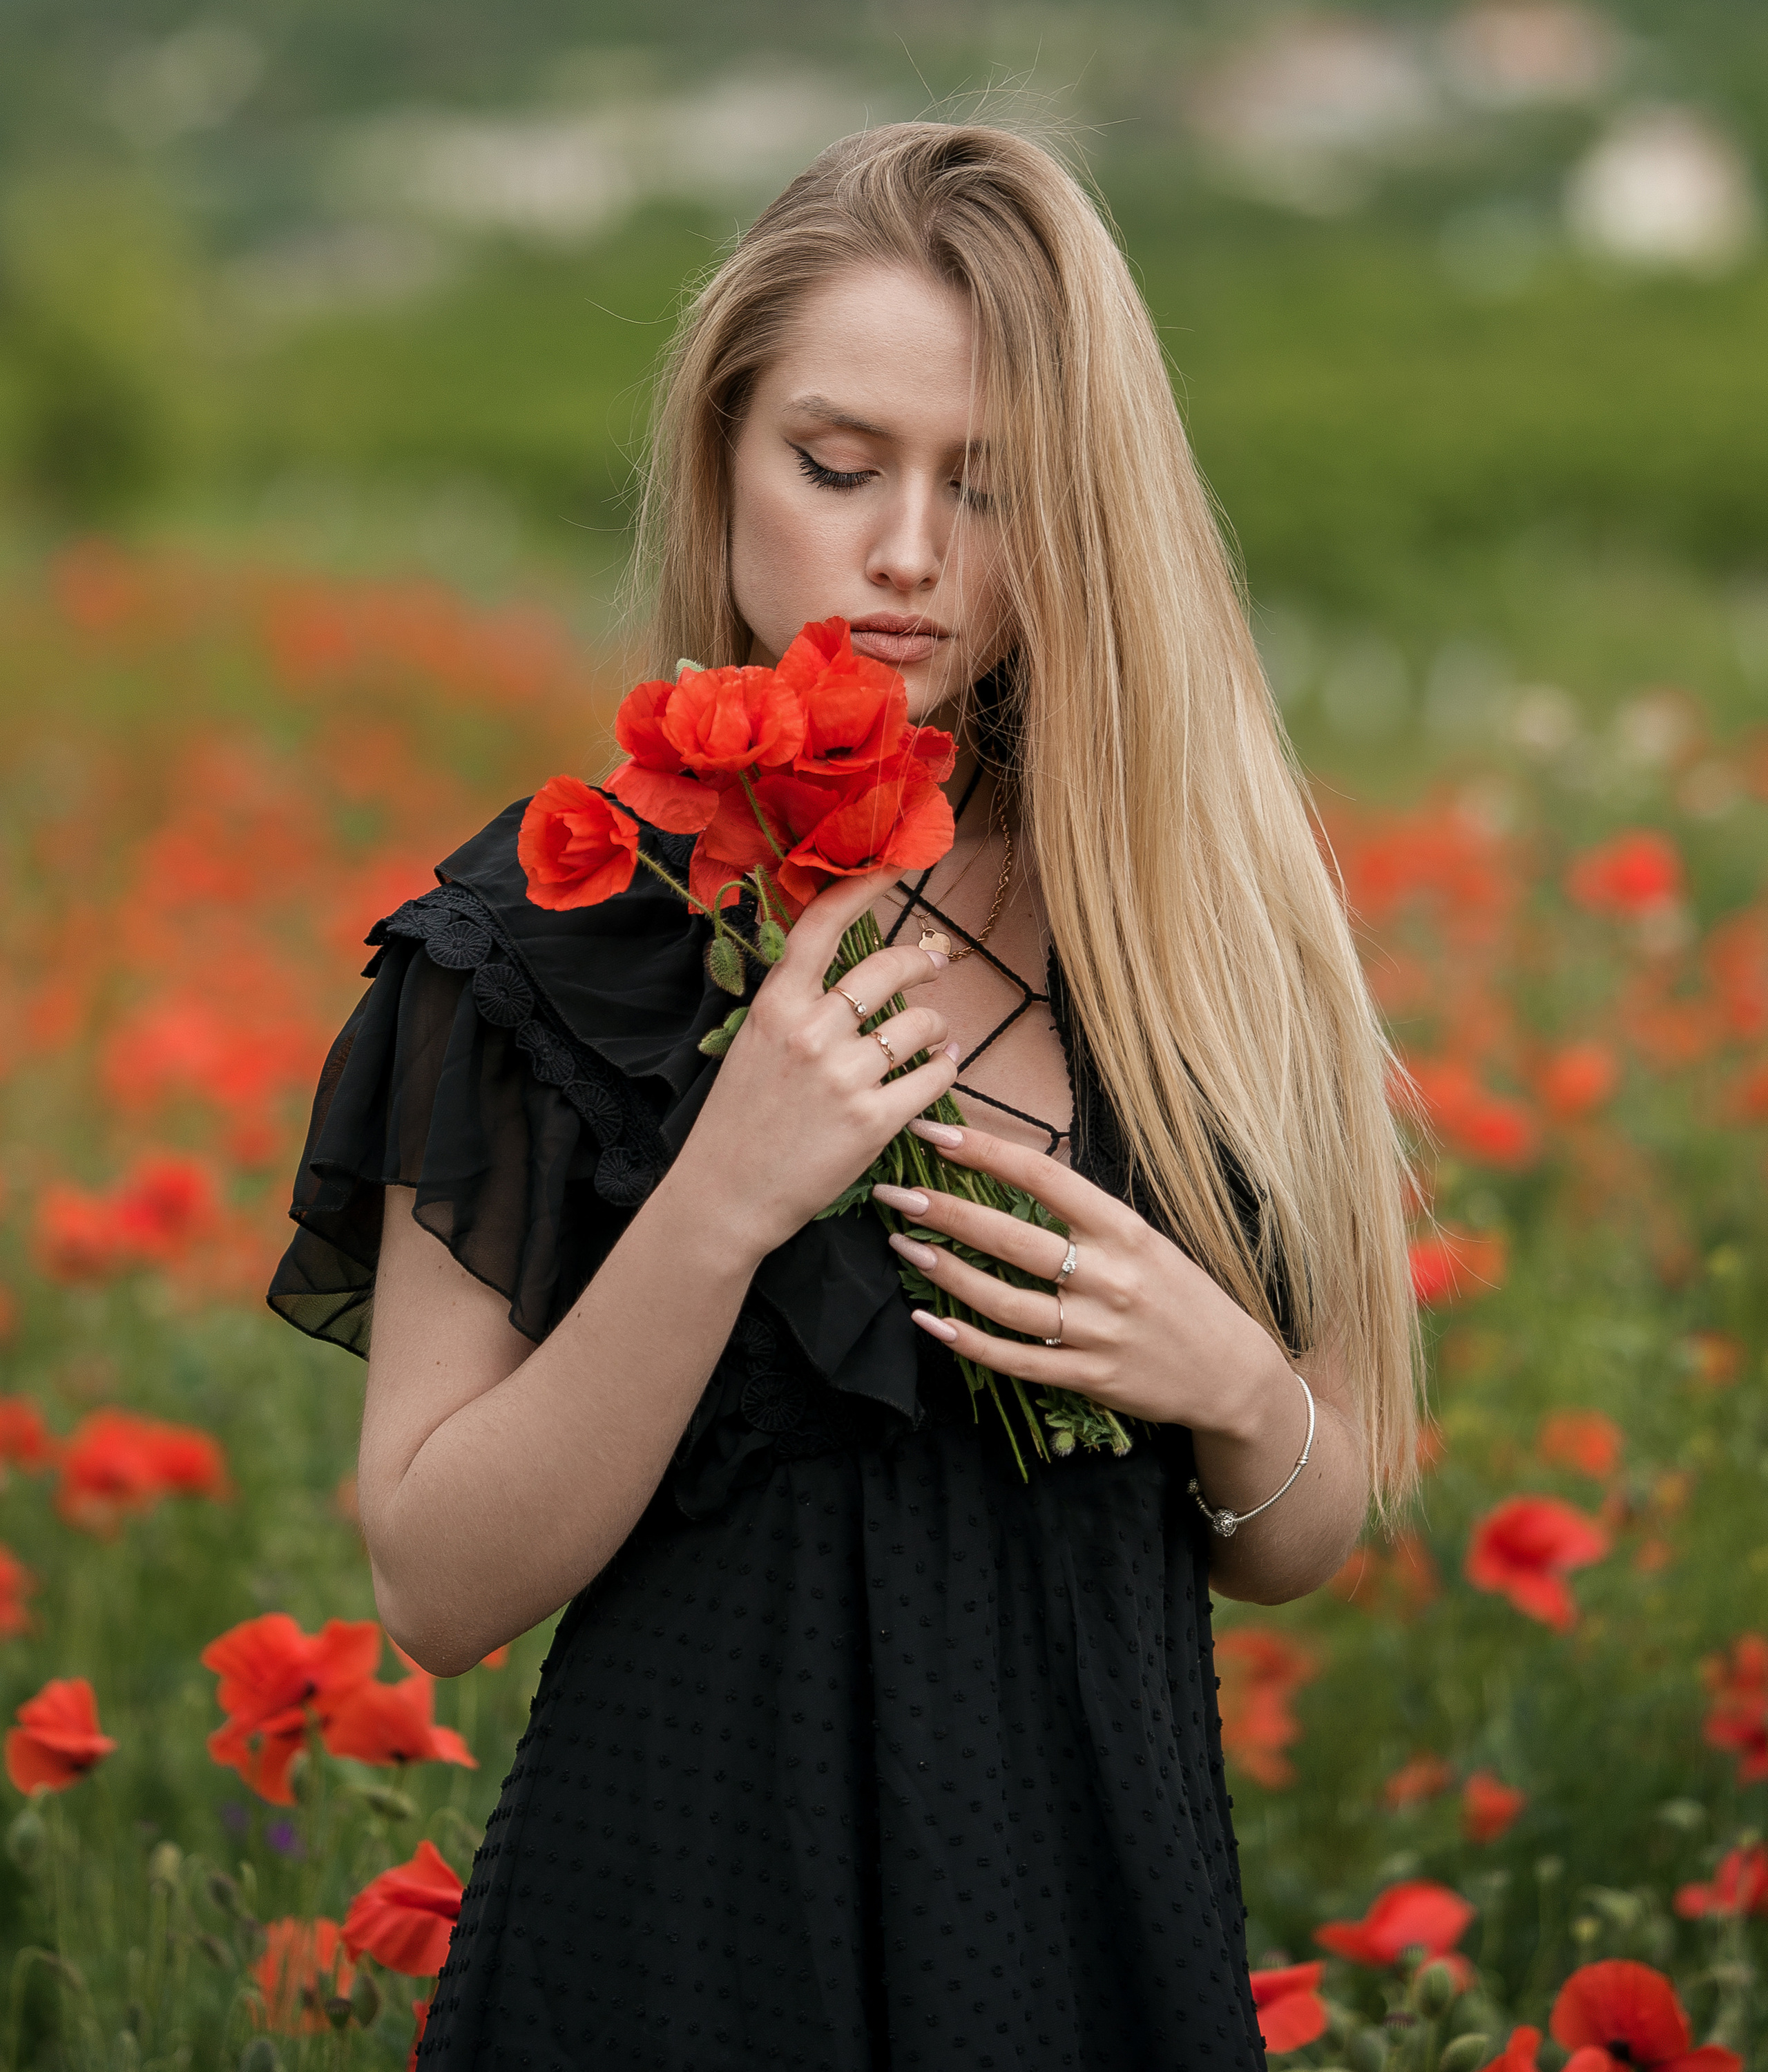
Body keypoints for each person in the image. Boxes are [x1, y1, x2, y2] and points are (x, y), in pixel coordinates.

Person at [271, 122, 1420, 2070]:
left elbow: (1305, 1530)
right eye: (835, 462)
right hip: (683, 1944)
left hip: (1085, 1937)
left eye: (992, 490)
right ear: (724, 460)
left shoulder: (1199, 929)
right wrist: (721, 1202)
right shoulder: (550, 932)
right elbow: (436, 1585)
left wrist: (1231, 1388)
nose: (905, 552)